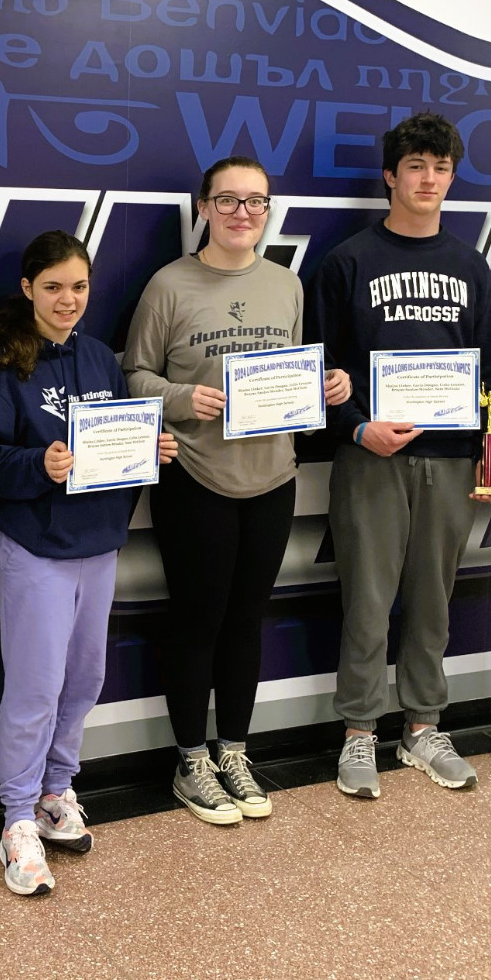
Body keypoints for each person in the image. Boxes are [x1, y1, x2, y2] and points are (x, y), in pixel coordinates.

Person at [123, 156, 351, 825]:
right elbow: (133, 375)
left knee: (247, 620)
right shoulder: (168, 286)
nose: (242, 213)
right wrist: (179, 397)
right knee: (198, 622)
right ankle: (190, 760)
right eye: (228, 201)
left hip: (271, 477)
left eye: (256, 202)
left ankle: (234, 752)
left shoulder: (286, 286)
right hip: (195, 475)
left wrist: (328, 387)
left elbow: (297, 375)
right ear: (203, 207)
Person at [0, 231, 178, 894]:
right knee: (35, 687)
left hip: (97, 541)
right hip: (36, 545)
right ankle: (16, 818)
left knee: (83, 678)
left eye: (78, 287)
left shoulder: (98, 359)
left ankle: (58, 792)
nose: (67, 299)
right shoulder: (4, 366)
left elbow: (113, 443)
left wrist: (150, 450)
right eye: (52, 286)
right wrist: (39, 463)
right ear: (27, 289)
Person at [316, 112, 491, 800]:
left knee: (432, 600)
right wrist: (354, 427)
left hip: (452, 458)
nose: (428, 179)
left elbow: (490, 372)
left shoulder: (469, 265)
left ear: (451, 177)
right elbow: (322, 370)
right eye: (415, 167)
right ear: (389, 177)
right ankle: (359, 733)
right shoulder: (347, 261)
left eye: (440, 168)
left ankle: (424, 727)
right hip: (371, 456)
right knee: (367, 601)